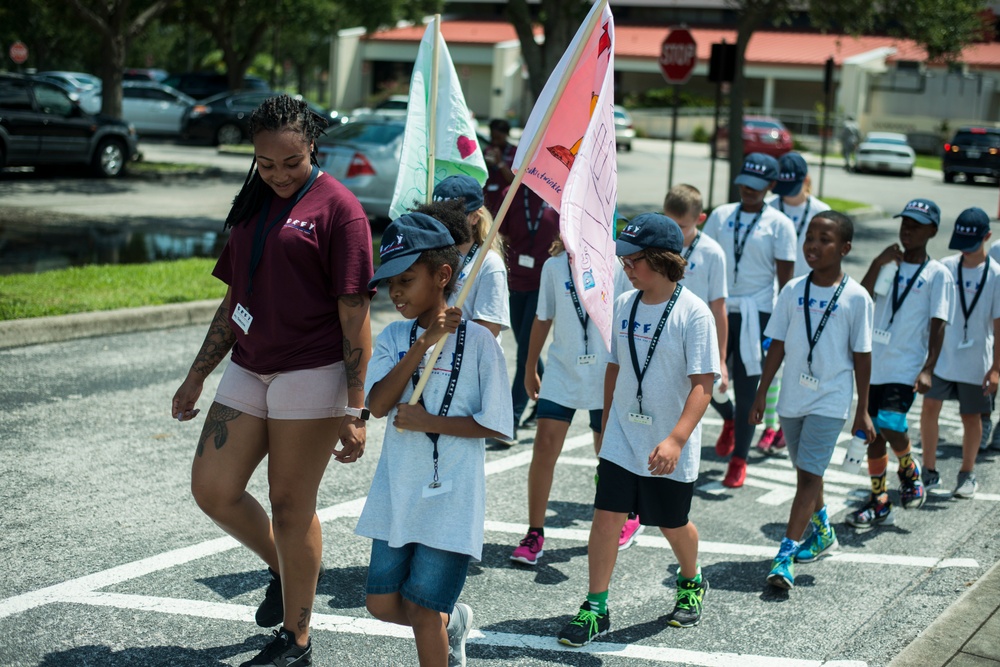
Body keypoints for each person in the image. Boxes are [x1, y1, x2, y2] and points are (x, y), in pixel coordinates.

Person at [171, 94, 373, 667]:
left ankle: (297, 640)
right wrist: (196, 376)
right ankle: (284, 571)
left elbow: (355, 314)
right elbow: (235, 297)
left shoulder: (341, 209)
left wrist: (356, 412)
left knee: (290, 504)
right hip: (249, 363)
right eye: (266, 163)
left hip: (313, 369)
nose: (279, 174)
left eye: (291, 162)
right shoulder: (252, 203)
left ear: (313, 146)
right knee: (213, 488)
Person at [357, 212, 513, 667]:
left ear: (443, 276)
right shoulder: (392, 336)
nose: (397, 292)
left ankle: (440, 627)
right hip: (397, 492)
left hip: (452, 500)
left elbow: (497, 424)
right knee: (380, 603)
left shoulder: (482, 344)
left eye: (407, 279)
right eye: (390, 283)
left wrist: (432, 422)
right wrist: (423, 345)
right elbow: (381, 403)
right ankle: (455, 622)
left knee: (426, 611)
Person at [557, 213, 718, 647]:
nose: (625, 268)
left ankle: (691, 579)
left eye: (633, 260)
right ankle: (595, 606)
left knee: (672, 521)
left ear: (663, 260)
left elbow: (704, 384)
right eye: (624, 260)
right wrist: (608, 424)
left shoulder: (694, 314)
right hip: (623, 440)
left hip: (669, 442)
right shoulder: (623, 305)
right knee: (607, 518)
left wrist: (677, 439)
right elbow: (614, 368)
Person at [750, 211, 874, 589]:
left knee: (808, 478)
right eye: (810, 238)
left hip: (831, 400)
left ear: (845, 248)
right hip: (792, 398)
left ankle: (784, 556)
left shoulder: (856, 297)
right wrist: (761, 391)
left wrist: (862, 409)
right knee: (806, 471)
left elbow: (862, 356)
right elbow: (778, 344)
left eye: (825, 239)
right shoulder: (792, 290)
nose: (814, 246)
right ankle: (823, 532)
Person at [849, 198, 954, 528]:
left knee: (891, 422)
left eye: (916, 225)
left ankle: (909, 469)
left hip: (906, 365)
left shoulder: (938, 274)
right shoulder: (889, 263)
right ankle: (879, 501)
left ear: (932, 231)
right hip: (873, 363)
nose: (907, 229)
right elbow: (861, 299)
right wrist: (877, 263)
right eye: (904, 222)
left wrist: (928, 368)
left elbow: (939, 325)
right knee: (874, 436)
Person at [511, 236, 612, 566]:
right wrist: (529, 366)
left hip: (605, 371)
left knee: (607, 452)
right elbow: (543, 317)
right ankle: (534, 533)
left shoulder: (614, 264)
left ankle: (625, 514)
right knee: (543, 446)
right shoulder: (553, 266)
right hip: (562, 370)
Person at [702, 153, 797, 488]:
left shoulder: (780, 225)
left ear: (771, 186)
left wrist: (783, 328)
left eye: (757, 186)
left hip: (757, 315)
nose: (748, 191)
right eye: (744, 184)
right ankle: (729, 420)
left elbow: (786, 283)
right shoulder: (721, 215)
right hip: (717, 308)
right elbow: (705, 259)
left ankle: (739, 458)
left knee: (746, 391)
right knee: (705, 381)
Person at [919, 207, 1000, 499]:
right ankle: (928, 471)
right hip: (942, 356)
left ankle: (967, 473)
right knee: (930, 407)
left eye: (972, 244)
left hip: (976, 360)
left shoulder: (995, 274)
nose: (965, 251)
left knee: (971, 416)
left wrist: (996, 369)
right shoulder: (944, 267)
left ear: (987, 237)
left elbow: (998, 326)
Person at [757, 153, 834, 454]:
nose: (786, 194)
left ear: (804, 181)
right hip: (775, 301)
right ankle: (770, 427)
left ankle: (791, 426)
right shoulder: (770, 209)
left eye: (792, 187)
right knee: (771, 367)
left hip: (812, 301)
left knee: (802, 367)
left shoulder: (822, 212)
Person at [500, 184, 561, 444]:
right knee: (528, 347)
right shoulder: (511, 193)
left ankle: (510, 422)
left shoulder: (557, 194)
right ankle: (544, 397)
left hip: (543, 285)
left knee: (525, 351)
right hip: (515, 281)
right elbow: (498, 233)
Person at [422, 175, 511, 338]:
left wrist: (441, 333)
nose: (445, 222)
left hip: (470, 361)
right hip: (432, 359)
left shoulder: (489, 263)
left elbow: (489, 328)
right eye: (439, 215)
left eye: (454, 216)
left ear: (475, 217)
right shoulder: (429, 257)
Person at [482, 118, 517, 216]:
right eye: (493, 138)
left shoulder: (515, 152)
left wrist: (500, 163)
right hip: (488, 199)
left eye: (498, 138)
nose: (495, 142)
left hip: (506, 201)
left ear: (506, 134)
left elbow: (514, 180)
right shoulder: (487, 150)